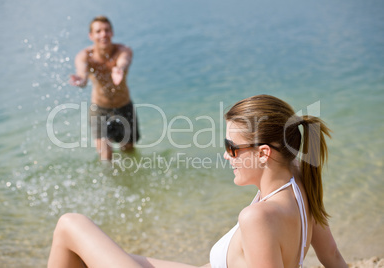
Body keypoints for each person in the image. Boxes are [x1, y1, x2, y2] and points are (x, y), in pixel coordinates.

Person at [48, 95, 347, 267]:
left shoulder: (258, 218)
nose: (226, 156)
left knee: (70, 225)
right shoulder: (299, 180)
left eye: (232, 147)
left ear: (264, 153)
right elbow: (331, 256)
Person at [69, 16, 140, 160]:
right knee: (106, 156)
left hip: (124, 107)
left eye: (107, 30)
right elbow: (82, 72)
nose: (103, 34)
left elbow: (124, 60)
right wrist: (81, 80)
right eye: (98, 31)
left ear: (112, 33)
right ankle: (110, 180)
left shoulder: (123, 50)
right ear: (91, 36)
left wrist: (119, 68)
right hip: (99, 110)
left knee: (129, 153)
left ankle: (129, 180)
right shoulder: (85, 56)